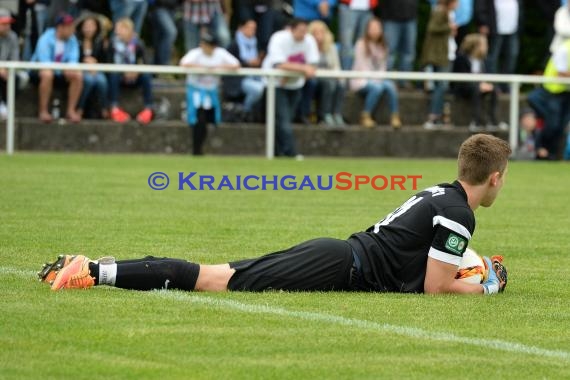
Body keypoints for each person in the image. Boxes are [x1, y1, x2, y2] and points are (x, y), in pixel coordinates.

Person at [41, 134, 510, 296]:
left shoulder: (442, 195)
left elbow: (432, 260)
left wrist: (479, 266)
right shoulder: (458, 214)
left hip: (339, 257)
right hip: (339, 264)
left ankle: (93, 268)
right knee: (215, 279)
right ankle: (94, 270)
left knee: (220, 276)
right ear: (494, 178)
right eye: (504, 177)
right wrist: (486, 285)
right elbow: (436, 287)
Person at [262, 19, 319, 158]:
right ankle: (291, 153)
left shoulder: (309, 40)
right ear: (291, 30)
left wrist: (301, 71)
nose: (303, 34)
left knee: (286, 120)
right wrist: (303, 68)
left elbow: (313, 64)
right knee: (283, 120)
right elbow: (278, 64)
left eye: (305, 31)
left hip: (295, 85)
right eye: (300, 31)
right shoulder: (278, 38)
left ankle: (278, 152)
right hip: (275, 85)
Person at [179, 32, 240, 155]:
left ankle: (201, 147)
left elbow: (236, 64)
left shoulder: (220, 53)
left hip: (211, 92)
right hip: (196, 90)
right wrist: (203, 67)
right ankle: (197, 150)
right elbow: (184, 63)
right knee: (199, 119)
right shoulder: (195, 53)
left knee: (210, 119)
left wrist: (218, 68)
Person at [30, 13, 83, 123]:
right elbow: (44, 62)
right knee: (47, 74)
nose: (73, 29)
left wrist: (69, 68)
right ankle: (43, 111)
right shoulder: (45, 38)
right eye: (69, 27)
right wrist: (63, 69)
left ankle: (71, 110)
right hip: (39, 72)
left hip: (60, 72)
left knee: (77, 75)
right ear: (60, 27)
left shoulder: (73, 40)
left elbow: (74, 59)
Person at [350, 17, 401, 129]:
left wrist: (379, 79)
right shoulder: (361, 44)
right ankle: (366, 115)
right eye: (372, 28)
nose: (375, 30)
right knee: (377, 88)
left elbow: (383, 67)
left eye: (377, 28)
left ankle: (395, 116)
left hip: (378, 79)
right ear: (367, 29)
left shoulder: (383, 46)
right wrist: (376, 79)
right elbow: (361, 66)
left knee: (390, 86)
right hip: (361, 80)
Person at [528, 39, 570, 160]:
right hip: (552, 92)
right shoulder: (564, 49)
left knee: (561, 126)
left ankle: (551, 154)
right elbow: (561, 72)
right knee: (553, 124)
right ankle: (542, 150)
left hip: (566, 93)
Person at [107, 18, 154, 125]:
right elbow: (109, 63)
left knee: (146, 76)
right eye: (117, 29)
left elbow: (145, 62)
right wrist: (124, 72)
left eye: (120, 29)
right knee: (113, 75)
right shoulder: (112, 44)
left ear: (129, 30)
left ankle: (148, 108)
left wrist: (136, 71)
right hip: (119, 76)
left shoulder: (138, 44)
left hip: (135, 76)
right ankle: (114, 108)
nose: (117, 32)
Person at [421, 0, 458, 129]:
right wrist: (449, 27)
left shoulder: (448, 12)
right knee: (441, 86)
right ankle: (434, 116)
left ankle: (439, 117)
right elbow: (432, 28)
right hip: (441, 56)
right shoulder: (440, 11)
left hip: (446, 54)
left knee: (441, 87)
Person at [452, 33, 499, 130]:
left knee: (494, 90)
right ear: (476, 46)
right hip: (464, 88)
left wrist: (486, 84)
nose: (487, 47)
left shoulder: (484, 60)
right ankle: (476, 121)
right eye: (484, 44)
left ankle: (492, 120)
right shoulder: (461, 59)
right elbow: (461, 79)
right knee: (476, 89)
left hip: (478, 86)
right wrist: (479, 85)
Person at [305, 20, 345, 127]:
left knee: (341, 84)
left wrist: (338, 77)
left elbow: (336, 65)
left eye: (321, 32)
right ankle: (325, 114)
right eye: (316, 33)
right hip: (314, 77)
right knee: (329, 84)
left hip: (329, 76)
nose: (319, 36)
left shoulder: (331, 47)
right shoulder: (307, 47)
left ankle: (336, 114)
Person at [475, 0, 521, 92]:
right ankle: (493, 85)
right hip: (494, 29)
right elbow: (480, 6)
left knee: (512, 56)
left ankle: (505, 85)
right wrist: (483, 22)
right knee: (492, 58)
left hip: (513, 29)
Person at [224, 19, 265, 121]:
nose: (252, 31)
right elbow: (229, 63)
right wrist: (247, 63)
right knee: (258, 89)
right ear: (241, 28)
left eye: (254, 28)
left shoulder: (256, 44)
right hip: (238, 80)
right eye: (249, 28)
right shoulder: (233, 45)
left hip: (255, 76)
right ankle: (245, 110)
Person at [75, 14, 110, 119]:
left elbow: (106, 61)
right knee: (89, 80)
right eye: (86, 26)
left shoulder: (100, 42)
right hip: (80, 70)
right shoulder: (76, 41)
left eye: (91, 26)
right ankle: (79, 109)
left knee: (101, 81)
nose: (89, 29)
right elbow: (73, 58)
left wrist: (96, 64)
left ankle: (104, 109)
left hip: (97, 70)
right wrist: (84, 61)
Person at [379, 0, 418, 87]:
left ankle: (404, 81)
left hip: (410, 17)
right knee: (389, 52)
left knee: (408, 53)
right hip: (390, 17)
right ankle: (386, 80)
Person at [337, 0, 377, 70]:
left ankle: (360, 76)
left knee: (363, 45)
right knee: (346, 44)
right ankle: (346, 76)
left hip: (367, 8)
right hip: (348, 6)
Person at [0, 8, 19, 120]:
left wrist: (6, 69)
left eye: (8, 23)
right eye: (3, 23)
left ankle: (7, 106)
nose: (7, 26)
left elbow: (15, 59)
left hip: (7, 71)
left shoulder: (13, 36)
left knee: (17, 77)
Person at [150, 0, 181, 65]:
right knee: (171, 33)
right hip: (159, 7)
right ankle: (165, 65)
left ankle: (156, 69)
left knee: (160, 39)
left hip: (173, 9)